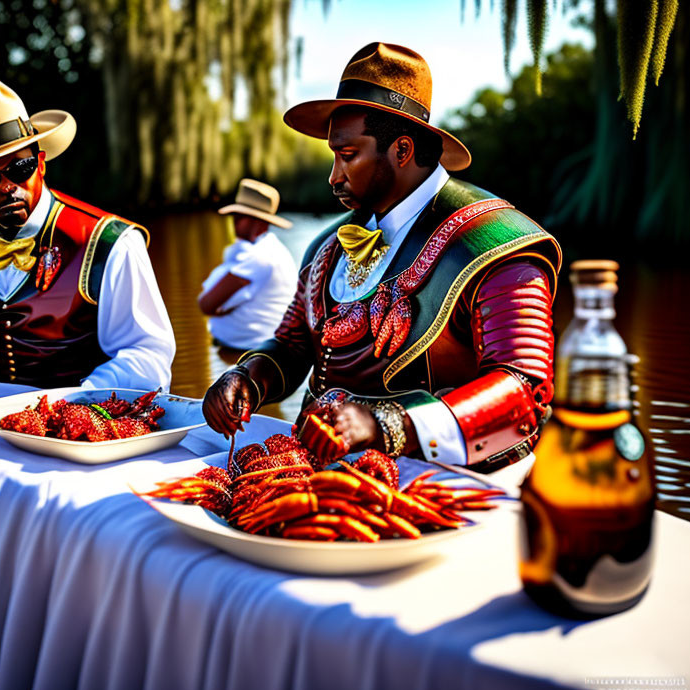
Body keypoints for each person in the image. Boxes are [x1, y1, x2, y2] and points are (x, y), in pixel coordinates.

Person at [203, 42, 561, 471]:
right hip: (313, 482)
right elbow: (293, 346)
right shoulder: (326, 248)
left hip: (448, 486)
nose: (333, 176)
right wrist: (246, 378)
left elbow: (525, 396)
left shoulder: (493, 243)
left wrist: (390, 423)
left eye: (348, 155)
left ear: (402, 151)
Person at [0, 72, 174, 390]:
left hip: (81, 433)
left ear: (40, 163)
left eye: (19, 167)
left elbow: (149, 358)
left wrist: (78, 399)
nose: (7, 186)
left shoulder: (111, 244)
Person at [198, 179, 298, 354]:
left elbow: (206, 304)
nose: (234, 221)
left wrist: (224, 310)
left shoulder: (259, 258)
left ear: (258, 221)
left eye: (241, 216)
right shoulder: (272, 249)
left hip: (253, 353)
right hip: (257, 349)